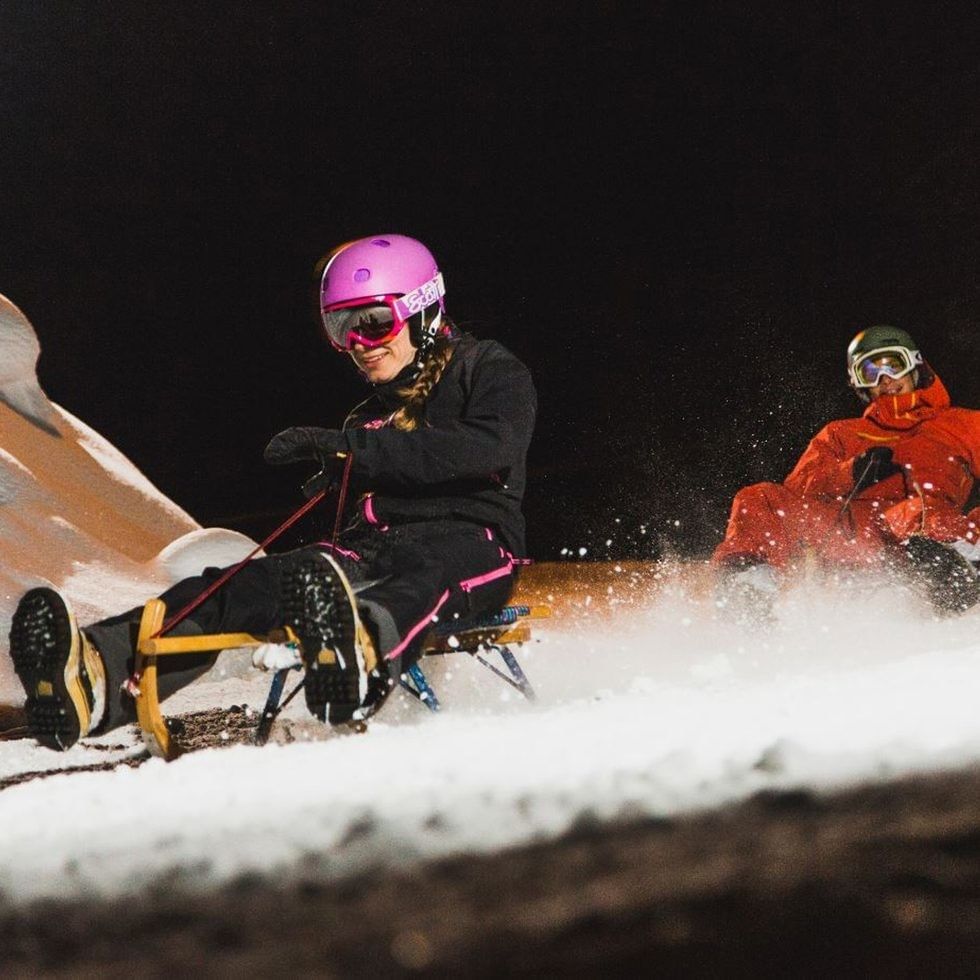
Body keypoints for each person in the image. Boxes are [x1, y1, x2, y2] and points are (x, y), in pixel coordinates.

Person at [10, 233, 537, 750]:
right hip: (367, 550)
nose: (357, 345)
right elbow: (378, 479)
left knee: (421, 576)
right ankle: (96, 672)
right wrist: (341, 476)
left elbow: (488, 447)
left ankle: (357, 659)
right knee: (242, 583)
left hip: (472, 543)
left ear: (422, 308)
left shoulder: (488, 369)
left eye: (373, 323)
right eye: (341, 327)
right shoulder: (371, 413)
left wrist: (356, 451)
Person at [713, 324, 980, 618]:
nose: (885, 379)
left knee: (914, 512)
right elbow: (799, 487)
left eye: (893, 365)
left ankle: (957, 575)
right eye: (871, 372)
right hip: (856, 537)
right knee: (759, 497)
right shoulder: (842, 433)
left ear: (915, 366)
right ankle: (749, 589)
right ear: (860, 383)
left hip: (925, 528)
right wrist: (852, 471)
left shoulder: (960, 425)